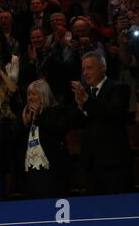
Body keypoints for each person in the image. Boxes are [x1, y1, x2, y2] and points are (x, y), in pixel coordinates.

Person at [71, 51, 133, 195]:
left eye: (89, 68)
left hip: (114, 164)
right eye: (83, 69)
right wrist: (80, 107)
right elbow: (74, 122)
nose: (85, 73)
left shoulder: (119, 88)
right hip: (91, 165)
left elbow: (114, 112)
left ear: (103, 68)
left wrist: (87, 102)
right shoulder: (83, 93)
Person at [20, 79, 74, 199]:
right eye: (29, 94)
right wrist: (25, 125)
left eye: (34, 94)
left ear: (44, 95)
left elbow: (58, 131)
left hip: (52, 172)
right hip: (31, 172)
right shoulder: (27, 115)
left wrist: (38, 118)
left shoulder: (56, 111)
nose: (30, 97)